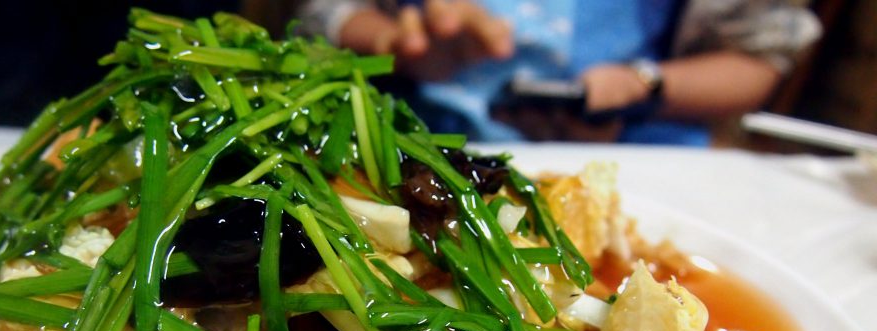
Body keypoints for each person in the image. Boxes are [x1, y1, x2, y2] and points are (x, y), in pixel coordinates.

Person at [295, 0, 821, 144]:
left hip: (637, 153)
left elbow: (758, 57)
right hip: (415, 137)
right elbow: (325, 12)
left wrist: (643, 85)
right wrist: (396, 44)